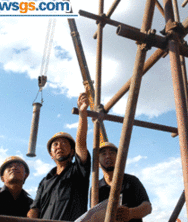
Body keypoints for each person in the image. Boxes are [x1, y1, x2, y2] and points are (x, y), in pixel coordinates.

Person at [27, 92, 91, 221]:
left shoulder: (78, 171)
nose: (59, 146)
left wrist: (82, 114)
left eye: (64, 143)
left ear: (72, 151)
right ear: (51, 155)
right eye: (55, 144)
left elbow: (81, 144)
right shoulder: (45, 181)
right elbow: (35, 208)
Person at [97, 142, 152, 222]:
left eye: (112, 153)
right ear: (97, 162)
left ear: (118, 158)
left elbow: (147, 207)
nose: (108, 156)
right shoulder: (96, 188)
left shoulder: (131, 181)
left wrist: (130, 213)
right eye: (104, 154)